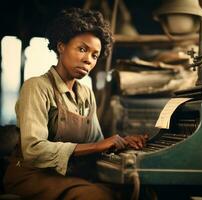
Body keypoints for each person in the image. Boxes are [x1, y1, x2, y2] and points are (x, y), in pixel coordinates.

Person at [3, 7, 148, 200]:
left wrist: (121, 142)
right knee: (98, 196)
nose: (88, 60)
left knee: (135, 191)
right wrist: (98, 146)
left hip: (68, 175)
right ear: (61, 46)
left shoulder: (86, 94)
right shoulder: (37, 87)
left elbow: (96, 142)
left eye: (95, 55)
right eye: (82, 49)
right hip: (31, 176)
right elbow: (33, 149)